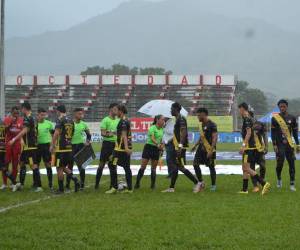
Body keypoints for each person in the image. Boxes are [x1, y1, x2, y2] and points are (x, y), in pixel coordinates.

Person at [161, 102, 203, 193]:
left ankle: (198, 183)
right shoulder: (177, 119)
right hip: (178, 146)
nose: (170, 111)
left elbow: (184, 132)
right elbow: (177, 135)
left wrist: (180, 146)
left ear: (176, 109)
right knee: (176, 166)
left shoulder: (181, 119)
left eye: (171, 109)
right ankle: (172, 188)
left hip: (180, 147)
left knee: (179, 167)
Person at [8, 102, 42, 192]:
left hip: (30, 146)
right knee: (22, 163)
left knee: (33, 165)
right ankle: (21, 184)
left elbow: (25, 130)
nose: (21, 111)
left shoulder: (28, 118)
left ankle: (39, 186)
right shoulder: (33, 118)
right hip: (28, 146)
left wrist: (14, 139)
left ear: (24, 108)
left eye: (21, 109)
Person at [238, 102, 270, 195]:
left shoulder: (247, 119)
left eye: (239, 109)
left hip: (249, 148)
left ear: (243, 109)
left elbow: (248, 133)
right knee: (245, 168)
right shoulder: (248, 118)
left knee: (246, 168)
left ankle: (264, 183)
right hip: (250, 147)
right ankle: (244, 190)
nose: (239, 112)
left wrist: (243, 145)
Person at [50, 105, 80, 194]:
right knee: (63, 167)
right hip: (69, 147)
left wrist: (52, 145)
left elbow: (56, 133)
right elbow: (72, 133)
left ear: (59, 111)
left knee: (59, 168)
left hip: (60, 148)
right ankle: (75, 179)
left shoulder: (60, 120)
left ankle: (61, 189)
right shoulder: (71, 120)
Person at [271, 99, 300, 191]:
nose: (282, 108)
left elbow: (295, 133)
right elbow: (273, 133)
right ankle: (279, 179)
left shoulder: (292, 118)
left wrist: (298, 145)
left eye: (284, 106)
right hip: (279, 144)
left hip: (289, 144)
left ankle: (292, 184)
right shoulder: (275, 118)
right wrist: (274, 144)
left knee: (292, 164)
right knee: (280, 163)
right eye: (280, 107)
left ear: (287, 107)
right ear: (279, 107)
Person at [105, 104, 133, 194]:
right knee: (126, 168)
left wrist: (126, 148)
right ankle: (129, 188)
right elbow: (122, 133)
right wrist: (113, 132)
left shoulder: (123, 121)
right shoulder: (125, 120)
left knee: (112, 164)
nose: (115, 112)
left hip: (120, 149)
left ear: (120, 111)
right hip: (122, 148)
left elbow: (124, 136)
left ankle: (114, 187)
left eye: (116, 110)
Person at [135, 115, 165, 189]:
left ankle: (152, 185)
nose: (163, 121)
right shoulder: (152, 128)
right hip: (148, 148)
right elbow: (152, 138)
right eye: (162, 119)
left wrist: (162, 146)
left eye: (164, 120)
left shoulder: (162, 129)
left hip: (156, 149)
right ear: (157, 120)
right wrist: (158, 144)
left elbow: (162, 140)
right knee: (143, 167)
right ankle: (137, 183)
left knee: (153, 168)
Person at [191, 108, 218, 191]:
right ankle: (201, 182)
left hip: (209, 148)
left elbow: (215, 138)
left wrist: (211, 150)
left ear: (204, 115)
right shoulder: (202, 124)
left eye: (199, 115)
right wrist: (195, 145)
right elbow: (202, 136)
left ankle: (213, 185)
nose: (197, 117)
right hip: (201, 148)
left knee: (211, 167)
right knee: (195, 164)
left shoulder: (212, 124)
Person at [95, 103, 119, 190]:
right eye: (115, 109)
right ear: (111, 109)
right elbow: (103, 133)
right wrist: (111, 133)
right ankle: (96, 184)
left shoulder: (118, 120)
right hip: (107, 145)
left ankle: (112, 186)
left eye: (117, 109)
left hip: (116, 145)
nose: (117, 111)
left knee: (114, 164)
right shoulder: (105, 120)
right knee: (101, 164)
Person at [66, 108, 91, 191]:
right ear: (75, 114)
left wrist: (87, 142)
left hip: (80, 146)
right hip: (71, 147)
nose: (81, 115)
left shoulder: (83, 124)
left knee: (82, 166)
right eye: (79, 114)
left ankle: (82, 185)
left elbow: (89, 135)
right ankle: (67, 185)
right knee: (70, 166)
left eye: (82, 114)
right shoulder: (70, 123)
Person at [1, 107, 23, 190]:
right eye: (14, 113)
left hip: (17, 144)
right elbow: (4, 130)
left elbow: (22, 131)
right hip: (9, 143)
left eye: (17, 113)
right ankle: (4, 183)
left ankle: (13, 183)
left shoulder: (21, 120)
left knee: (15, 164)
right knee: (6, 163)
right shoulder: (7, 119)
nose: (16, 115)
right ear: (11, 113)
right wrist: (10, 123)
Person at [249, 111, 268, 193]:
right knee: (251, 168)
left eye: (248, 116)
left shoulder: (260, 124)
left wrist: (266, 146)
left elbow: (265, 135)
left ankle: (261, 180)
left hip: (260, 149)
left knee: (263, 166)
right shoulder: (245, 125)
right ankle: (255, 186)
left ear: (252, 116)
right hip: (250, 149)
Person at [37, 108, 54, 190]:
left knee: (48, 164)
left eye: (44, 115)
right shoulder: (34, 124)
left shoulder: (49, 124)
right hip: (37, 146)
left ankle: (50, 184)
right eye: (41, 115)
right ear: (38, 115)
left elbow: (54, 135)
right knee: (36, 165)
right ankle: (38, 184)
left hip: (46, 146)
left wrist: (53, 145)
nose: (43, 116)